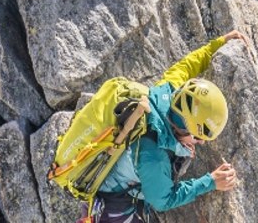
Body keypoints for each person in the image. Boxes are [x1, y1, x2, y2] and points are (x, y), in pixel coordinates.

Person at [87, 31, 247, 222]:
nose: (201, 142)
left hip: (124, 177)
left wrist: (219, 43)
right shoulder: (154, 156)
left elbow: (187, 66)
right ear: (186, 127)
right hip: (114, 204)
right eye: (198, 137)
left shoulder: (166, 92)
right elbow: (163, 200)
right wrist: (210, 182)